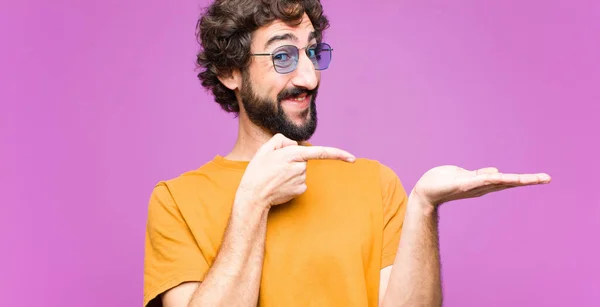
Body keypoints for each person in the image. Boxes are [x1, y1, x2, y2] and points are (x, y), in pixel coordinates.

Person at [142, 0, 551, 306]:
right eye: (283, 56)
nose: (310, 76)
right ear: (230, 72)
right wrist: (252, 202)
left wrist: (423, 206)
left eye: (313, 52)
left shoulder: (374, 182)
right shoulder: (176, 201)